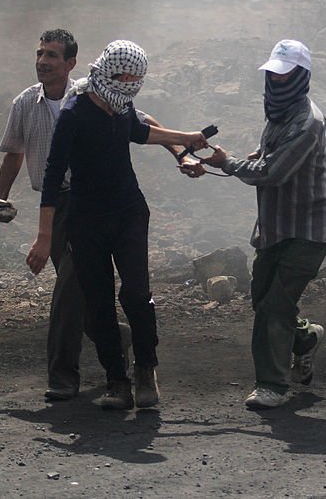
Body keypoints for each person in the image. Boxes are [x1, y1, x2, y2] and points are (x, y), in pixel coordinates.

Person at [26, 40, 208, 411]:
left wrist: (184, 140)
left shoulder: (120, 106)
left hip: (128, 213)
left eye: (133, 80)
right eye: (123, 78)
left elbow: (143, 131)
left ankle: (145, 369)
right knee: (99, 302)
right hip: (86, 220)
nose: (127, 86)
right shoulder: (75, 114)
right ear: (107, 72)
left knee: (137, 295)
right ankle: (116, 380)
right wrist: (44, 237)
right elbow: (52, 174)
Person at [0, 29, 141, 402]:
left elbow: (138, 123)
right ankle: (117, 338)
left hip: (89, 202)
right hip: (53, 207)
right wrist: (0, 196)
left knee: (69, 286)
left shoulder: (89, 97)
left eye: (52, 55)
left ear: (71, 64)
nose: (43, 61)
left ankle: (62, 376)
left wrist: (180, 142)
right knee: (83, 288)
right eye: (40, 53)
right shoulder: (25, 103)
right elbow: (15, 152)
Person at [193, 39, 326, 410]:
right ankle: (304, 339)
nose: (275, 82)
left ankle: (271, 385)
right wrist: (248, 158)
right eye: (272, 75)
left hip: (308, 229)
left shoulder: (307, 122)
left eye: (283, 75)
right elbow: (270, 157)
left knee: (276, 304)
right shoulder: (279, 114)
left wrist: (228, 163)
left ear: (301, 77)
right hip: (276, 225)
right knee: (263, 297)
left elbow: (273, 171)